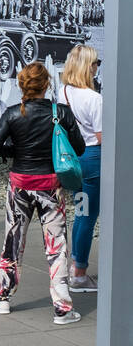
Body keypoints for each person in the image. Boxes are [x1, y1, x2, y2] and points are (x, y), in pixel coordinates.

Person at [0, 61, 84, 325]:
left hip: (20, 185)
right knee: (57, 245)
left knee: (13, 240)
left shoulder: (12, 114)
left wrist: (14, 153)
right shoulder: (60, 113)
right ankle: (62, 308)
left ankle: (3, 297)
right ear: (47, 84)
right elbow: (79, 148)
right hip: (50, 186)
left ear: (21, 84)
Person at [59, 44, 103, 293]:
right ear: (88, 67)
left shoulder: (63, 92)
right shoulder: (94, 99)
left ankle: (76, 264)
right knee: (87, 215)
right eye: (96, 62)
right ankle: (80, 273)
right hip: (92, 160)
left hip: (74, 160)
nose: (98, 67)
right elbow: (101, 136)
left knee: (81, 211)